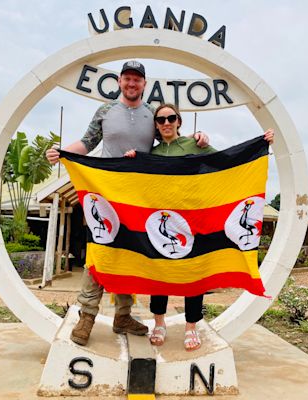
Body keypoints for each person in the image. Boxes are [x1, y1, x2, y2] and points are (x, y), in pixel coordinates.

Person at [46, 61, 210, 346]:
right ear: (119, 82)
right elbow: (87, 143)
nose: (132, 83)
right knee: (99, 252)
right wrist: (62, 152)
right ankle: (86, 316)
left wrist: (200, 138)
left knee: (129, 255)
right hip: (106, 193)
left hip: (140, 199)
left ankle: (123, 315)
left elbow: (172, 142)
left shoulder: (152, 116)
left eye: (137, 79)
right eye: (127, 78)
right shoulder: (106, 111)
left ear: (144, 84)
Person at [125, 103, 274, 351]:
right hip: (162, 218)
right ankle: (159, 323)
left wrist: (259, 144)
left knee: (194, 273)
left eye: (171, 118)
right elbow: (135, 181)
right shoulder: (152, 153)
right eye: (160, 120)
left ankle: (191, 326)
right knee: (158, 272)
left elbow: (224, 163)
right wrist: (131, 160)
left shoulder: (194, 145)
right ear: (156, 125)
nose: (166, 123)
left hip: (193, 219)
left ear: (179, 121)